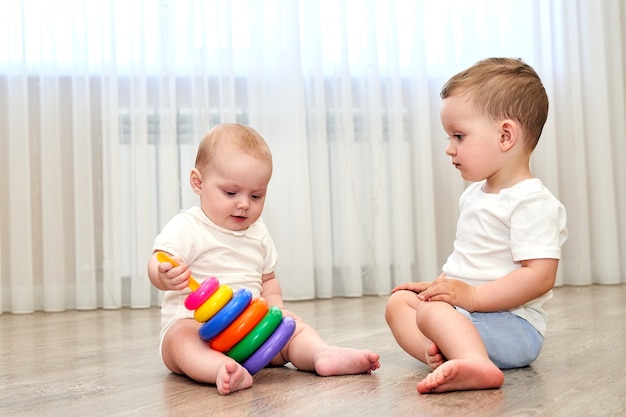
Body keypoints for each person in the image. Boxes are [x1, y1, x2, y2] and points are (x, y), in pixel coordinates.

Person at [148, 123, 380, 395]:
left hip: (251, 330)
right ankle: (220, 369)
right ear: (198, 182)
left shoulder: (258, 234)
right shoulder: (187, 227)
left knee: (293, 327)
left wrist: (275, 308)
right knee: (180, 341)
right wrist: (162, 274)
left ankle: (322, 354)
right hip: (197, 326)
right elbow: (158, 260)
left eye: (256, 195)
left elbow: (268, 280)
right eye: (231, 193)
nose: (244, 203)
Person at [385, 58, 567, 394]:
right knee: (400, 304)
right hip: (474, 316)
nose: (449, 148)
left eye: (458, 136)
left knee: (429, 314)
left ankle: (475, 361)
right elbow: (471, 262)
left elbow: (540, 276)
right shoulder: (475, 195)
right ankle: (444, 355)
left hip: (514, 327)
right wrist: (437, 286)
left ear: (505, 135)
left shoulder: (530, 202)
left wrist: (471, 296)